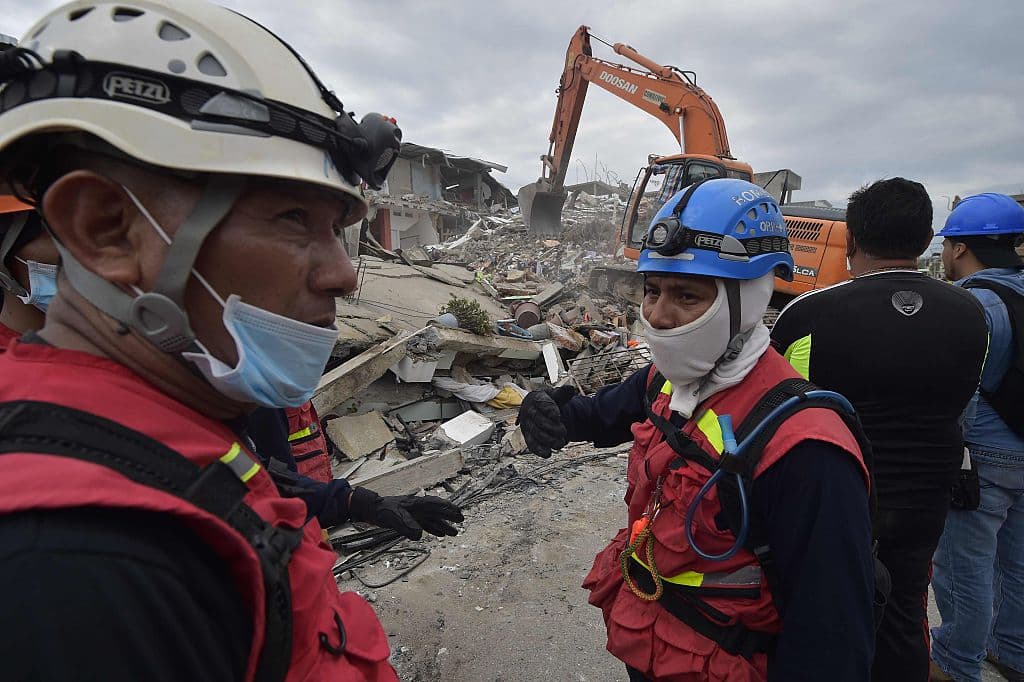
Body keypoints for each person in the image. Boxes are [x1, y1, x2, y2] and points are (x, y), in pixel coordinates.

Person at [0, 2, 457, 679]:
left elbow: (228, 481)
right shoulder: (74, 567)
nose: (344, 273)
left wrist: (356, 501)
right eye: (293, 218)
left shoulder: (159, 426)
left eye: (339, 228)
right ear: (107, 229)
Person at [519, 178, 876, 681]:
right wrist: (547, 412)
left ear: (748, 301)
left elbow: (831, 638)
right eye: (652, 291)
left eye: (687, 295)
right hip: (657, 645)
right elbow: (600, 414)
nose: (659, 316)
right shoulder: (668, 381)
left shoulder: (805, 447)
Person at [770, 178, 989, 682]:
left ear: (851, 241)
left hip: (838, 493)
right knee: (905, 608)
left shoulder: (808, 312)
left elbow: (780, 398)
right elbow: (966, 395)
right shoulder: (971, 313)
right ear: (925, 237)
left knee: (820, 607)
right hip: (927, 496)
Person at [930, 193, 1024, 682]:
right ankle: (1011, 651)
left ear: (961, 248)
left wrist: (950, 452)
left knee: (965, 568)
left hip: (985, 455)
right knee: (1018, 564)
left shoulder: (973, 303)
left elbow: (958, 387)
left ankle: (954, 664)